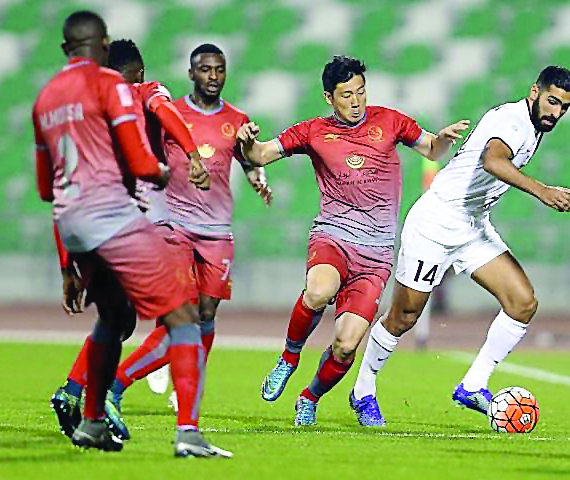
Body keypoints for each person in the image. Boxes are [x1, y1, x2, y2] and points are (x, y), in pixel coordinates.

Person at [34, 11, 228, 457]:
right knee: (186, 316)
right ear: (101, 44)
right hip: (117, 216)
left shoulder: (46, 98)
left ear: (66, 49)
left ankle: (87, 415)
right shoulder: (117, 88)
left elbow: (48, 187)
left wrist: (67, 266)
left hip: (72, 226)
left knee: (115, 319)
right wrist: (165, 172)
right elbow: (142, 159)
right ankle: (188, 433)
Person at [237, 55, 469, 426]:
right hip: (334, 236)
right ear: (329, 97)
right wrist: (247, 143)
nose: (357, 101)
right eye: (347, 95)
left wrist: (441, 139)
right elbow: (261, 154)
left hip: (376, 254)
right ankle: (289, 358)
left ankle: (310, 396)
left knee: (346, 346)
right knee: (318, 291)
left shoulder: (390, 121)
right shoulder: (313, 131)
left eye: (361, 91)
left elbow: (432, 149)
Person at [348, 66, 570, 426]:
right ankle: (363, 390)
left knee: (522, 303)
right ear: (534, 92)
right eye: (552, 102)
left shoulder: (534, 126)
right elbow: (493, 160)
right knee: (404, 317)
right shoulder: (512, 120)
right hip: (436, 222)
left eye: (564, 107)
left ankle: (473, 385)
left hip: (473, 226)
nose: (556, 113)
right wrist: (542, 191)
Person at [106, 43, 272, 429]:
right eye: (205, 70)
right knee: (185, 315)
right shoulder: (171, 113)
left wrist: (259, 180)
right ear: (192, 73)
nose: (213, 77)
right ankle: (123, 382)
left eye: (219, 69)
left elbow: (249, 162)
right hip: (175, 228)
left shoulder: (238, 119)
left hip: (217, 232)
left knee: (207, 315)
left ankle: (180, 376)